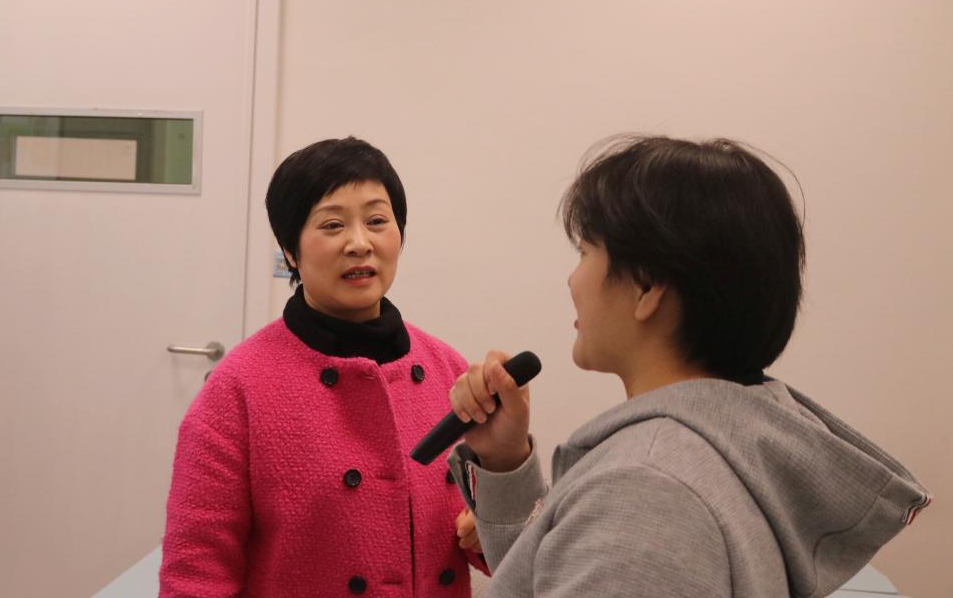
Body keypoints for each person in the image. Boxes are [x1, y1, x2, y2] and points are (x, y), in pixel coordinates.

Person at [447, 135, 930, 598]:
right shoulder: (719, 451)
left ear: (646, 287)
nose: (572, 280)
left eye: (585, 251)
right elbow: (551, 575)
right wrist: (505, 461)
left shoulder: (643, 492)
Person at [160, 137, 485, 597]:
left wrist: (487, 521)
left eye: (377, 221)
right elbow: (195, 572)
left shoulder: (446, 370)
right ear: (290, 251)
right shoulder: (240, 388)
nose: (359, 244)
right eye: (332, 225)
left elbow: (504, 549)